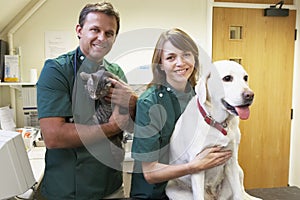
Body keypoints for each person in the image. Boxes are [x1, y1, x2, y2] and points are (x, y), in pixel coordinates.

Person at [37, 2, 137, 200]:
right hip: (69, 190)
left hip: (111, 185)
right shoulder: (57, 71)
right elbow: (54, 136)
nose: (102, 38)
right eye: (95, 30)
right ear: (79, 30)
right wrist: (113, 126)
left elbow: (133, 126)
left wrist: (135, 103)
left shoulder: (116, 72)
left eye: (109, 33)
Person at [130, 28, 232, 199]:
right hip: (154, 194)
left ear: (195, 59)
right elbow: (149, 172)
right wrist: (195, 166)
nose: (181, 63)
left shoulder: (200, 97)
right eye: (171, 57)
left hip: (191, 190)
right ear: (161, 64)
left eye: (186, 55)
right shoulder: (149, 103)